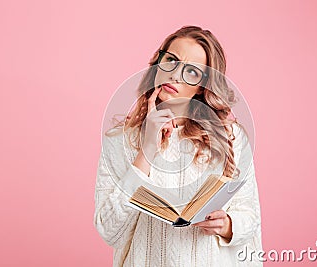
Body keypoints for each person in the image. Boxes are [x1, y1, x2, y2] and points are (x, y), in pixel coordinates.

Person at [94, 25, 262, 267]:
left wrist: (227, 225)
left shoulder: (231, 136)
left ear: (203, 86)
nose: (175, 75)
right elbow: (110, 231)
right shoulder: (119, 140)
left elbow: (250, 216)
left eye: (192, 71)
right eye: (171, 60)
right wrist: (147, 150)